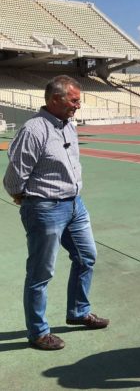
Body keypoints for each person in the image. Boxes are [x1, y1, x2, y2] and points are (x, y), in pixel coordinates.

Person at [3, 75, 109, 351]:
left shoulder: (68, 126)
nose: (78, 105)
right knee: (41, 272)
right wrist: (25, 198)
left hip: (75, 205)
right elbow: (14, 176)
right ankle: (38, 332)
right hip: (45, 208)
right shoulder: (34, 130)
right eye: (74, 100)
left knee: (86, 256)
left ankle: (78, 312)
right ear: (54, 99)